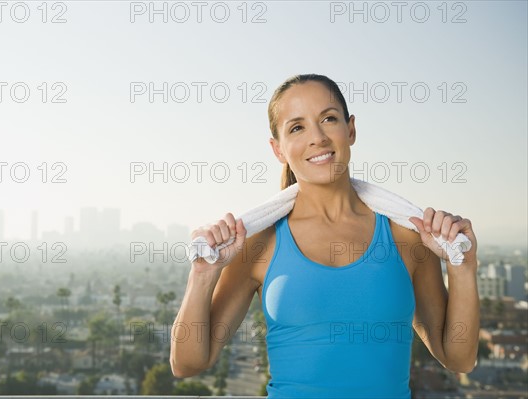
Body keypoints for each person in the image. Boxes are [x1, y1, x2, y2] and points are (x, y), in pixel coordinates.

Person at [170, 74, 479, 398]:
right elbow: (187, 364)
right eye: (297, 127)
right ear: (278, 149)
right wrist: (203, 274)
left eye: (328, 119)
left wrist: (464, 266)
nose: (317, 137)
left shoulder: (409, 237)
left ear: (351, 129)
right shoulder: (257, 243)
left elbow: (459, 358)